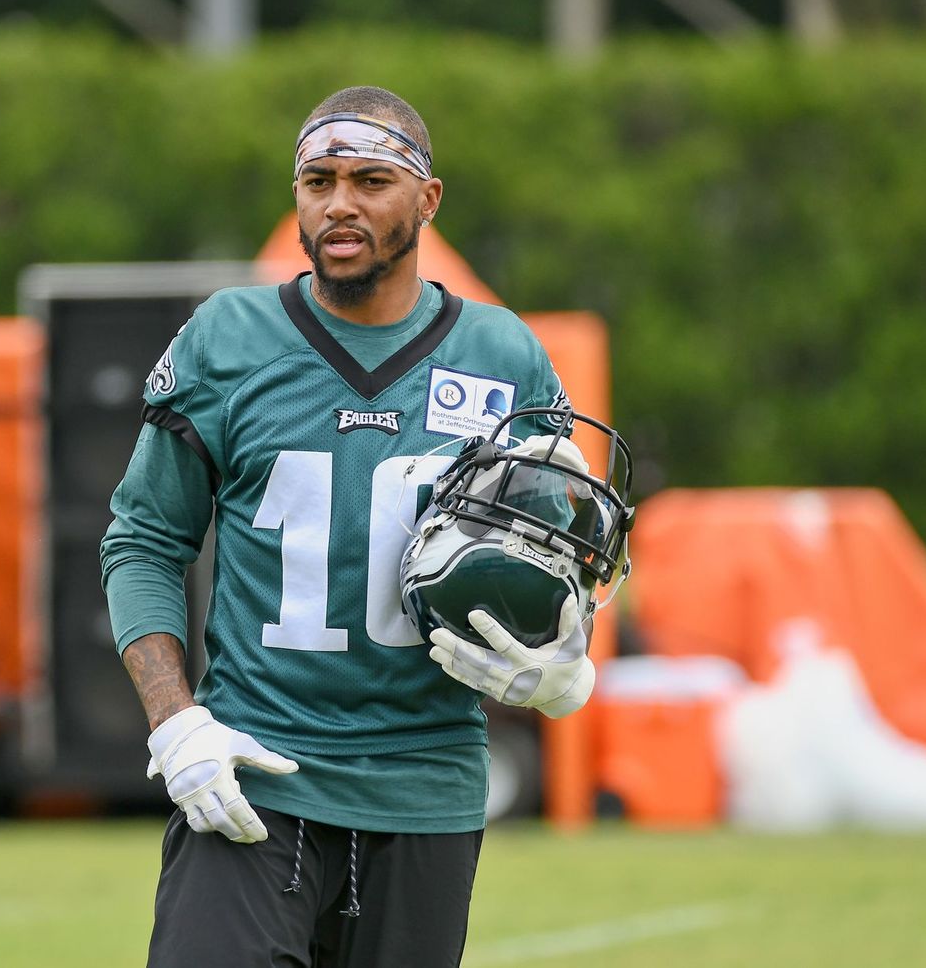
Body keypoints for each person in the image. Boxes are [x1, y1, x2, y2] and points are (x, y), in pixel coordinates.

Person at [100, 85, 598, 967]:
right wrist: (176, 725)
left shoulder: (501, 354)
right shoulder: (230, 336)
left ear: (427, 200)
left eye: (371, 180)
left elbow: (562, 560)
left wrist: (568, 663)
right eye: (318, 180)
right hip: (253, 772)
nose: (339, 204)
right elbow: (142, 539)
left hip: (426, 787)